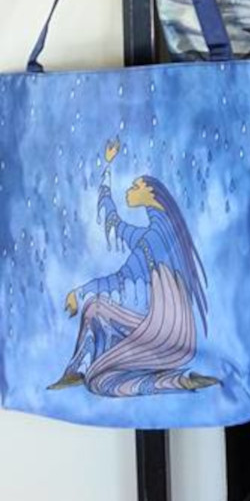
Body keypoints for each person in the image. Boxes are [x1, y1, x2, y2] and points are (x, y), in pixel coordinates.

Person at [49, 141, 217, 399]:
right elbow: (114, 222)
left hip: (165, 332)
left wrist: (79, 292)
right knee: (95, 319)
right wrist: (107, 168)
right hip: (176, 331)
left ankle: (82, 372)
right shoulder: (164, 232)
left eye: (136, 186)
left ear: (152, 194)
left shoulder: (153, 239)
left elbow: (119, 278)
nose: (129, 189)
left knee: (99, 373)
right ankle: (180, 380)